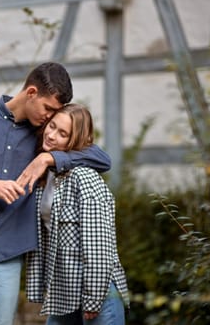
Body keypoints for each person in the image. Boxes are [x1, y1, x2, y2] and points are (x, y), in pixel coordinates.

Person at [0, 62, 112, 325]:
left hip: (8, 253)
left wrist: (48, 159)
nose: (50, 118)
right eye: (48, 109)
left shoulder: (44, 135)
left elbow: (101, 159)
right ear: (31, 93)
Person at [26, 103, 129, 325]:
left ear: (74, 141)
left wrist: (93, 297)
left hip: (97, 294)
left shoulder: (83, 177)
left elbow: (99, 245)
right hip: (65, 292)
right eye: (52, 126)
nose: (52, 136)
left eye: (63, 134)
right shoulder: (48, 175)